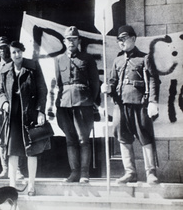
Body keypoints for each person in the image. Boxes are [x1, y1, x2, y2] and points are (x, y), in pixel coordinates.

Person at [101, 25, 160, 184]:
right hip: (121, 104)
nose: (122, 42)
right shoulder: (117, 60)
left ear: (133, 39)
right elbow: (113, 82)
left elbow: (154, 80)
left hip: (140, 103)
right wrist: (107, 88)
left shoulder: (144, 58)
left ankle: (151, 172)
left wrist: (153, 101)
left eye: (124, 39)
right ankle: (130, 172)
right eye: (119, 40)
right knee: (122, 137)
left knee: (145, 136)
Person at [0, 41, 48, 196]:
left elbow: (42, 90)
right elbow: (0, 91)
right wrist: (4, 102)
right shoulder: (5, 70)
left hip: (29, 113)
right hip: (13, 115)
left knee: (31, 150)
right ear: (10, 54)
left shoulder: (32, 67)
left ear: (23, 52)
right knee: (13, 151)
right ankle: (12, 187)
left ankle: (31, 185)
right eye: (13, 52)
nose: (16, 55)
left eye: (19, 51)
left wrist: (40, 112)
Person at [55, 26, 100, 183]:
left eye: (74, 39)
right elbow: (59, 84)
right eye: (68, 39)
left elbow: (95, 83)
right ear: (64, 41)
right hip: (64, 104)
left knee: (83, 140)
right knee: (70, 139)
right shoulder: (59, 60)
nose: (71, 42)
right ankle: (74, 172)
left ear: (79, 41)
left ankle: (84, 173)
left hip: (83, 103)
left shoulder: (87, 59)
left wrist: (90, 100)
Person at [0, 36, 25, 180]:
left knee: (15, 138)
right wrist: (4, 96)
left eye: (5, 47)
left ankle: (18, 170)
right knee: (1, 140)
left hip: (14, 108)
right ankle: (5, 169)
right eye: (0, 48)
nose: (3, 50)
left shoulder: (17, 66)